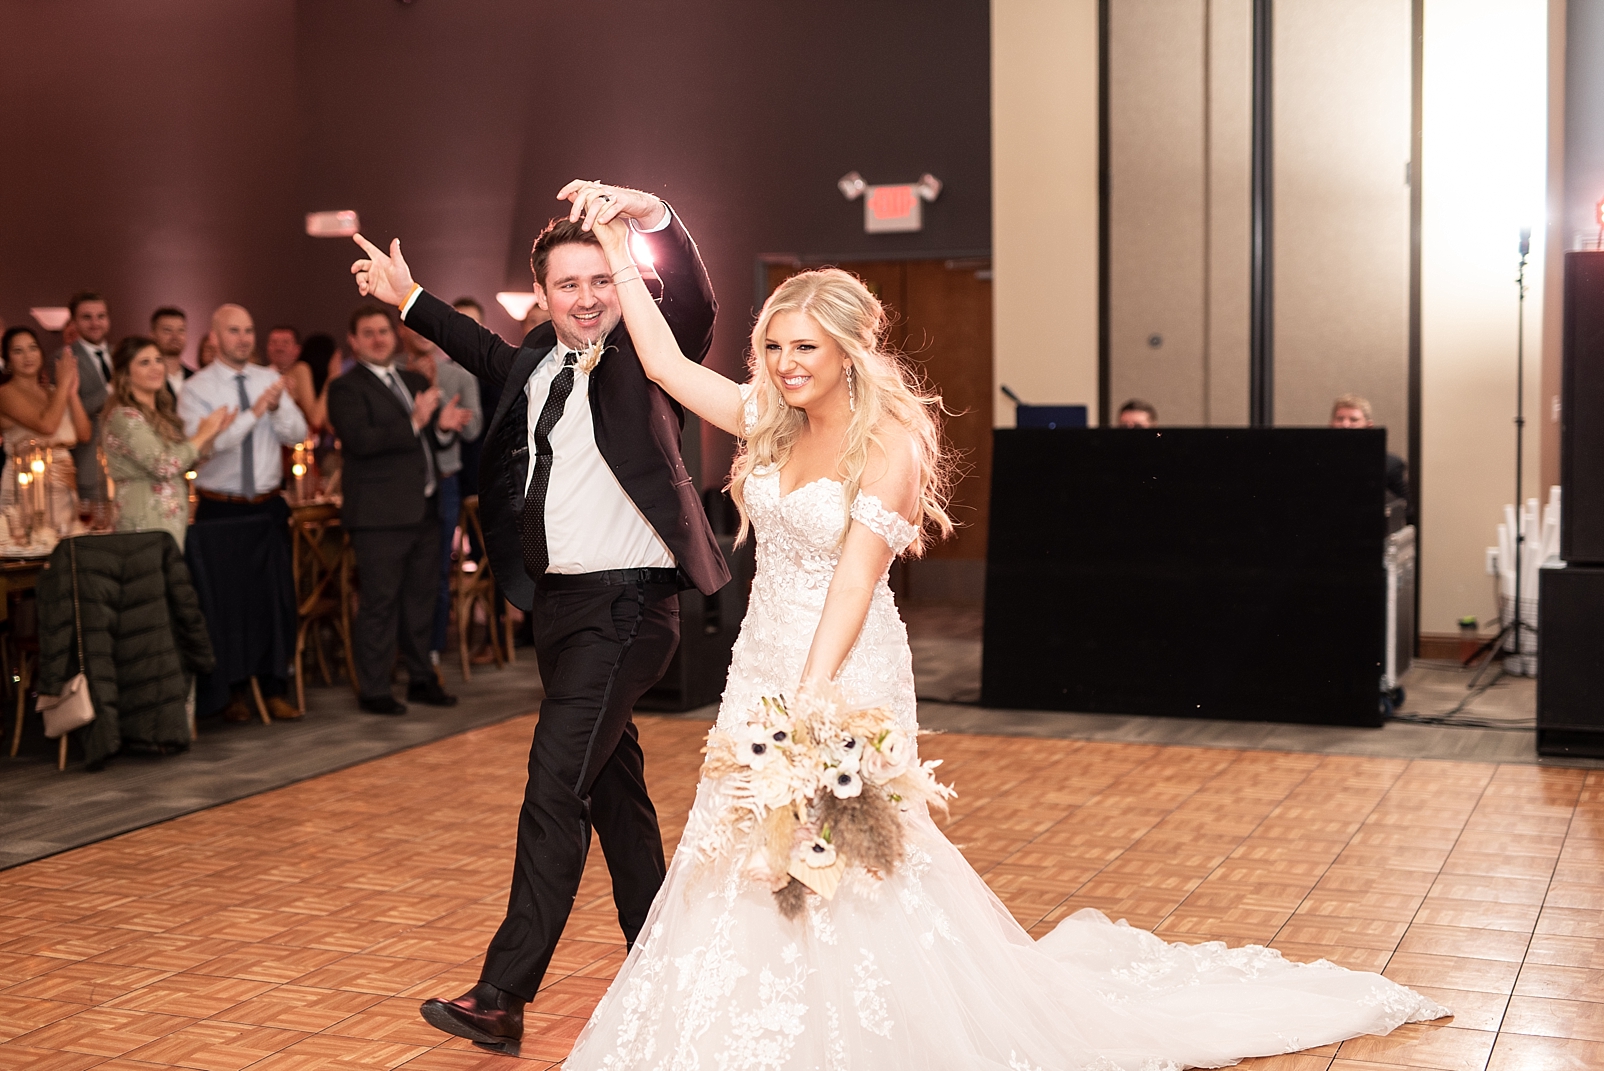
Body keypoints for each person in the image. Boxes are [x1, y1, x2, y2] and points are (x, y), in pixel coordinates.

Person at [554, 215, 1453, 1069]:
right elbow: (664, 361)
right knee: (742, 839)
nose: (786, 365)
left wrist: (809, 707)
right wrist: (622, 246)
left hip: (844, 670)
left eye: (806, 348)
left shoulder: (889, 445)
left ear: (848, 352)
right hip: (762, 662)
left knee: (852, 852)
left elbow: (855, 583)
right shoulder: (768, 418)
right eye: (775, 347)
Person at [350, 178, 727, 1050]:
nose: (587, 298)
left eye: (600, 281)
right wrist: (407, 296)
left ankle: (502, 992)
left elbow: (697, 301)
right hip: (559, 611)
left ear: (620, 283)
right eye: (568, 284)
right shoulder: (534, 361)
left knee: (554, 785)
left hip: (628, 607)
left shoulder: (646, 355)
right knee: (614, 792)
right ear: (542, 294)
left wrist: (650, 213)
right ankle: (663, 960)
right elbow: (480, 347)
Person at [326, 305, 468, 714]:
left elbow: (428, 443)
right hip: (379, 516)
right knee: (380, 603)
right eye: (368, 333)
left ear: (395, 336)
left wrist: (441, 428)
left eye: (383, 331)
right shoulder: (345, 388)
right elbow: (360, 441)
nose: (377, 339)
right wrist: (414, 421)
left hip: (424, 508)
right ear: (353, 341)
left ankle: (422, 678)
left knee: (421, 600)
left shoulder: (412, 379)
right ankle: (374, 689)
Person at [178, 303, 308, 722]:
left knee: (274, 601)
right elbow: (208, 445)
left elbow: (299, 433)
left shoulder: (269, 379)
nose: (243, 339)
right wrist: (254, 413)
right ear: (215, 337)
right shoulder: (196, 389)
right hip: (222, 508)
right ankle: (231, 693)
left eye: (249, 330)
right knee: (225, 606)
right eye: (234, 331)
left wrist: (277, 406)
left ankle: (274, 687)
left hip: (268, 507)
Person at [399, 323, 484, 665]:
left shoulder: (458, 375)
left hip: (444, 482)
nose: (421, 333)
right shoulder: (392, 372)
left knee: (436, 570)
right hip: (400, 484)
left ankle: (431, 650)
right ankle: (400, 649)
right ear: (401, 331)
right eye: (413, 326)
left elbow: (474, 428)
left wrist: (440, 399)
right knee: (399, 572)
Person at [101, 336, 234, 548]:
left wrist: (212, 434)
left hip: (169, 524)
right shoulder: (124, 417)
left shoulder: (163, 415)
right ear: (126, 372)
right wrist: (201, 435)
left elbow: (183, 462)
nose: (156, 368)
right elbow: (163, 465)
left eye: (158, 360)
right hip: (143, 522)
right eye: (145, 362)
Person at [0, 326, 90, 527]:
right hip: (26, 481)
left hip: (64, 479)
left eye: (33, 348)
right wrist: (63, 384)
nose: (27, 356)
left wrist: (71, 392)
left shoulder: (53, 392)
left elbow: (84, 434)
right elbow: (47, 426)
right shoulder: (5, 393)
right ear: (8, 359)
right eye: (18, 351)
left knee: (66, 540)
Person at [67, 291, 114, 503]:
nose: (95, 323)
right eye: (87, 317)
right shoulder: (64, 358)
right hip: (91, 466)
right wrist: (111, 389)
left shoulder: (121, 355)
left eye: (100, 316)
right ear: (74, 322)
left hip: (128, 465)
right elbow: (71, 413)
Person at [1330, 393, 1410, 513]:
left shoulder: (1390, 465)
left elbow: (1405, 511)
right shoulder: (1318, 462)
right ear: (1331, 424)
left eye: (1353, 420)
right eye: (1340, 419)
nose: (1345, 425)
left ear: (1369, 427)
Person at [265, 324, 319, 424]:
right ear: (267, 347)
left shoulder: (301, 371)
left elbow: (314, 420)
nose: (279, 348)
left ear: (297, 350)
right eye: (274, 342)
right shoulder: (260, 377)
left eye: (285, 343)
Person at [150, 306, 191, 401]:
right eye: (167, 330)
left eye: (181, 330)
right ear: (152, 335)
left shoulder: (196, 378)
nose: (175, 337)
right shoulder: (147, 378)